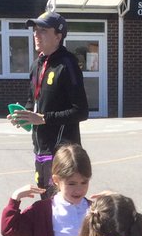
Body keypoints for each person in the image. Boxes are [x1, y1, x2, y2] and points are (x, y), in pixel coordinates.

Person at [7, 11, 89, 194]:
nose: (36, 34)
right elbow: (32, 100)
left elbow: (81, 111)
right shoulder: (36, 65)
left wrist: (43, 118)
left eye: (43, 30)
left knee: (62, 209)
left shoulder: (68, 65)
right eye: (35, 30)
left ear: (58, 36)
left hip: (62, 154)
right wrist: (23, 115)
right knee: (46, 207)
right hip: (40, 149)